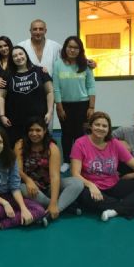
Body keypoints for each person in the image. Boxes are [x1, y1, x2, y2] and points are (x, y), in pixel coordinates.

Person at [71, 111, 134, 221]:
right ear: (91, 126)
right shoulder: (80, 143)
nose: (100, 128)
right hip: (93, 186)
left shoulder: (114, 143)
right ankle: (131, 206)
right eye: (97, 124)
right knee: (83, 195)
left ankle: (114, 210)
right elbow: (75, 174)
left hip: (113, 184)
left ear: (109, 129)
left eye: (104, 126)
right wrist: (91, 185)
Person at [0, 126, 45, 234]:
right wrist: (5, 203)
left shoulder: (11, 158)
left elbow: (15, 187)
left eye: (0, 142)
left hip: (9, 195)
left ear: (4, 144)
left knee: (39, 210)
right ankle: (24, 218)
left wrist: (23, 208)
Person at [15, 117, 84, 220]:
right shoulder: (20, 145)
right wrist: (28, 180)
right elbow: (18, 170)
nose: (34, 133)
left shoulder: (52, 148)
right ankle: (64, 207)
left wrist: (54, 202)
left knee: (77, 183)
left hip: (49, 187)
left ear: (44, 131)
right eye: (31, 130)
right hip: (31, 188)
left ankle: (54, 210)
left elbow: (55, 176)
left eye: (38, 130)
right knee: (19, 188)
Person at [53, 36, 96, 173]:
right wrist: (59, 107)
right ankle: (66, 161)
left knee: (80, 134)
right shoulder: (58, 64)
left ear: (80, 50)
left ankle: (81, 160)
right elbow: (56, 87)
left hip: (83, 105)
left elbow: (91, 86)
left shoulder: (86, 65)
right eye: (70, 47)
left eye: (76, 48)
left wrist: (91, 107)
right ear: (65, 48)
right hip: (64, 105)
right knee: (66, 134)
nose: (72, 50)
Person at [0, 45, 54, 147]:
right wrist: (2, 115)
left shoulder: (40, 71)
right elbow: (1, 96)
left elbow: (50, 91)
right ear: (12, 59)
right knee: (18, 147)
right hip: (15, 121)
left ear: (26, 55)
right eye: (15, 56)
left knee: (41, 146)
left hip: (38, 119)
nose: (18, 57)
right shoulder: (7, 75)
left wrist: (50, 112)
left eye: (21, 54)